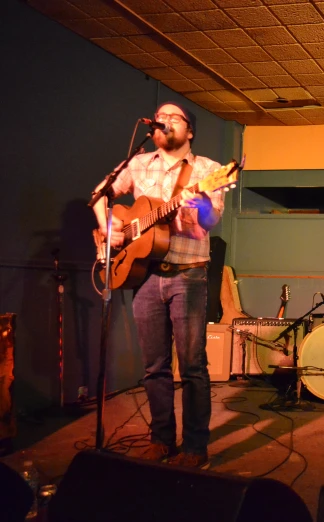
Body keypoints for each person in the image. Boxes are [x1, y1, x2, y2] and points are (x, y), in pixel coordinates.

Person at [92, 102, 225, 467]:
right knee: (154, 367)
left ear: (190, 130)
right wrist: (110, 231)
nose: (163, 120)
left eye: (174, 117)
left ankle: (196, 447)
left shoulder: (208, 170)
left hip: (189, 272)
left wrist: (199, 205)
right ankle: (161, 439)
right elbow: (100, 194)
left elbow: (209, 222)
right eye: (159, 116)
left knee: (193, 366)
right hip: (145, 274)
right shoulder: (137, 165)